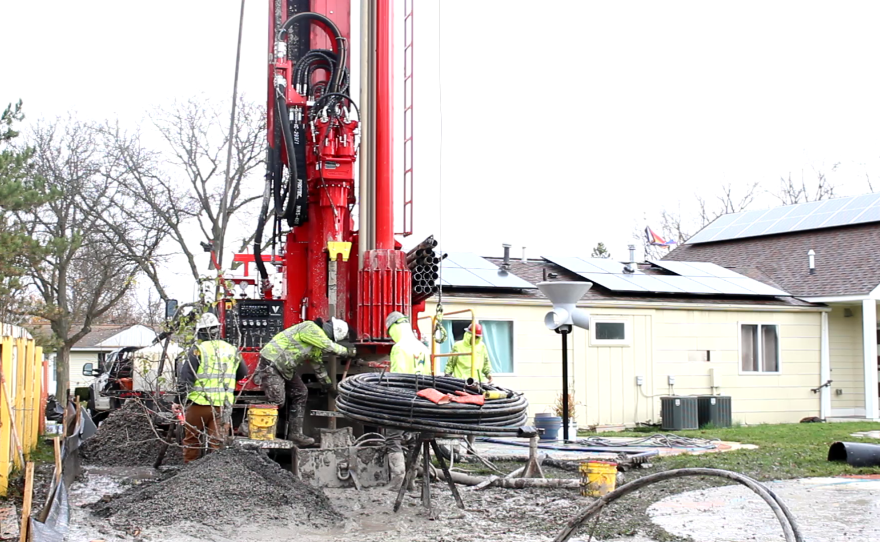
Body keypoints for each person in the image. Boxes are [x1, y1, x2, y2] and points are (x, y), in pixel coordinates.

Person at [258, 317, 355, 446]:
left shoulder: (315, 345)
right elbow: (327, 345)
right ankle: (248, 425)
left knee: (301, 392)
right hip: (272, 362)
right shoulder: (310, 328)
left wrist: (329, 387)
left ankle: (296, 434)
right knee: (277, 400)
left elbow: (318, 367)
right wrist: (346, 351)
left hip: (285, 367)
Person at [177, 313, 247, 464]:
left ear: (200, 332)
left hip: (198, 405)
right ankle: (215, 477)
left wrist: (178, 401)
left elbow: (185, 379)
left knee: (192, 441)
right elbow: (243, 373)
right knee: (217, 444)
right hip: (222, 406)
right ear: (218, 330)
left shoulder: (198, 350)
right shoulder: (232, 349)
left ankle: (188, 473)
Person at [384, 311, 430, 489]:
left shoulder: (399, 347)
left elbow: (397, 379)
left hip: (401, 402)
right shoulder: (422, 347)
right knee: (413, 440)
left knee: (393, 438)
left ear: (395, 328)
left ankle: (397, 479)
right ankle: (411, 481)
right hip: (420, 401)